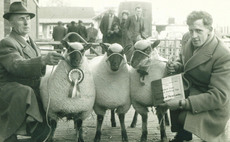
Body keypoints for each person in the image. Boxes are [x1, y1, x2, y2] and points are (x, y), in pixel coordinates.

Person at [159, 11, 230, 142]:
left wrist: (182, 103)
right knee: (169, 91)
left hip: (211, 103)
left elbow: (219, 96)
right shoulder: (187, 39)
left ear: (209, 30)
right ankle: (183, 134)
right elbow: (187, 62)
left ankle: (208, 136)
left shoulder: (223, 54)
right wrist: (177, 66)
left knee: (182, 114)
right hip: (192, 89)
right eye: (191, 30)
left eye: (198, 31)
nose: (194, 36)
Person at [0, 2, 64, 142]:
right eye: (20, 18)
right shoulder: (7, 42)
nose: (26, 22)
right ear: (11, 23)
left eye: (27, 18)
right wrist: (42, 60)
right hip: (10, 90)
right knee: (26, 92)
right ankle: (23, 130)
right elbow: (16, 65)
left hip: (30, 87)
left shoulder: (31, 42)